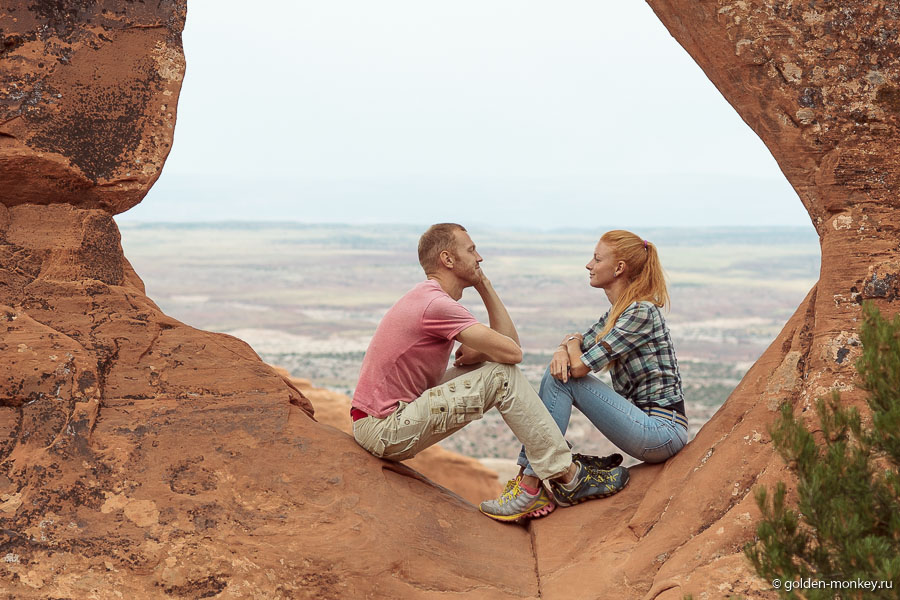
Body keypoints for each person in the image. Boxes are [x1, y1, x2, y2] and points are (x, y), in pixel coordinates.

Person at [351, 223, 629, 522]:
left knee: (492, 369)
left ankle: (542, 479)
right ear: (448, 259)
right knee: (500, 376)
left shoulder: (429, 297)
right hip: (386, 428)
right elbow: (514, 353)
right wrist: (487, 346)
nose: (479, 258)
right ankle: (569, 477)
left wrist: (484, 285)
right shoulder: (435, 304)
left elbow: (509, 346)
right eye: (471, 250)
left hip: (388, 417)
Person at [507, 229, 689, 502]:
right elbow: (576, 346)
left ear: (619, 268)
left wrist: (569, 343)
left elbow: (579, 366)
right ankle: (530, 476)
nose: (589, 265)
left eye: (597, 259)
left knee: (561, 379)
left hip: (661, 431)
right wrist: (565, 346)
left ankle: (529, 484)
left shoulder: (641, 312)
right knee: (559, 374)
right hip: (644, 424)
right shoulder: (619, 312)